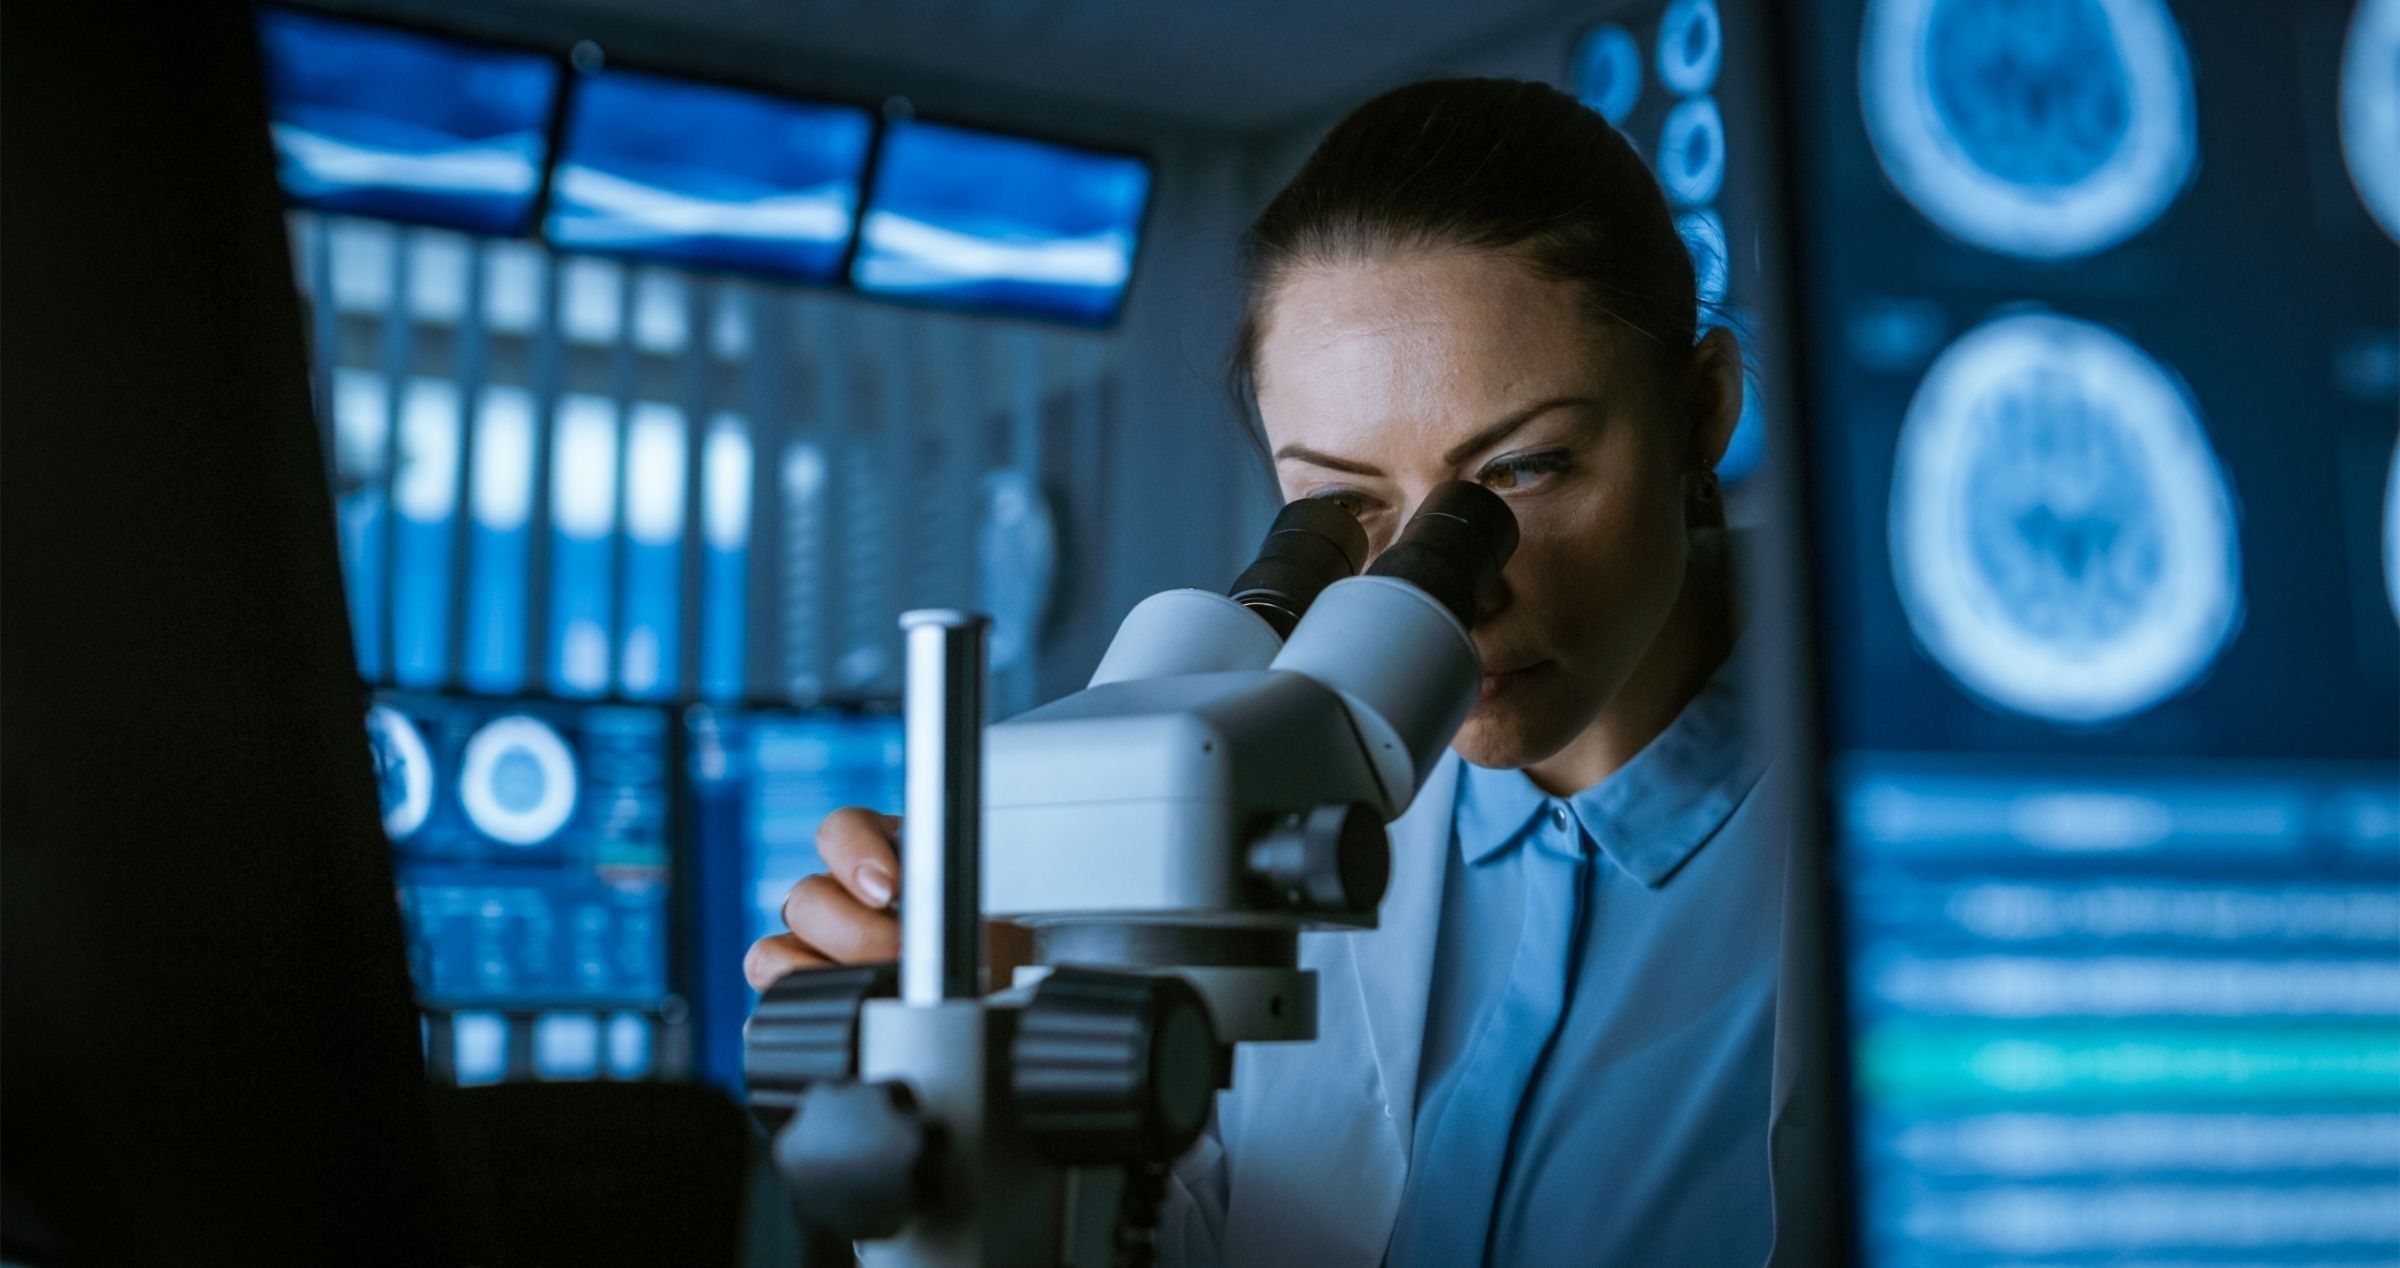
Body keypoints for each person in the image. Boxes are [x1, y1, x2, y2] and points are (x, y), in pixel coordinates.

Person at [744, 78, 1826, 1267]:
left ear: (1702, 411)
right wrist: (975, 1070)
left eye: (1521, 469)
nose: (1453, 589)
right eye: (1340, 504)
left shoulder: (1927, 808)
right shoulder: (1259, 796)